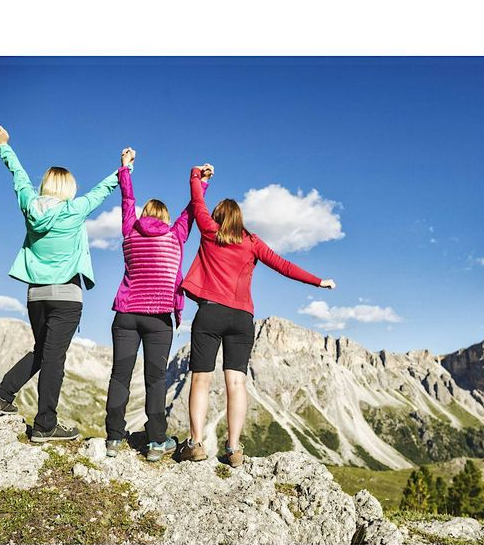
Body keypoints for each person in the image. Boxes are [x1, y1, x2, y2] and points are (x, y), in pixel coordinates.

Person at [178, 164, 335, 466]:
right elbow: (283, 265)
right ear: (240, 220)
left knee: (201, 379)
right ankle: (233, 449)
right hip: (241, 319)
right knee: (237, 384)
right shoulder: (252, 243)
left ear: (218, 218)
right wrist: (318, 281)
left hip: (210, 313)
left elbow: (197, 200)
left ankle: (195, 444)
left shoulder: (209, 232)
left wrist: (198, 174)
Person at [0, 125, 123, 443]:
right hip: (67, 297)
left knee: (42, 351)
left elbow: (18, 175)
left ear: (46, 185)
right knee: (53, 358)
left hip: (35, 295)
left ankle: (2, 397)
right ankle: (46, 424)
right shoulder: (75, 210)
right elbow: (102, 191)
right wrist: (123, 169)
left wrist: (4, 147)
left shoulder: (30, 205)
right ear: (69, 188)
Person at [103, 148, 196, 461]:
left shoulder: (131, 229)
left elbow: (127, 200)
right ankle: (157, 442)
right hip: (158, 318)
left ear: (144, 216)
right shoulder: (176, 235)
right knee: (156, 379)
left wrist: (125, 168)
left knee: (120, 375)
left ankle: (114, 438)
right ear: (167, 219)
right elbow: (193, 210)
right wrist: (199, 180)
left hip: (126, 314)